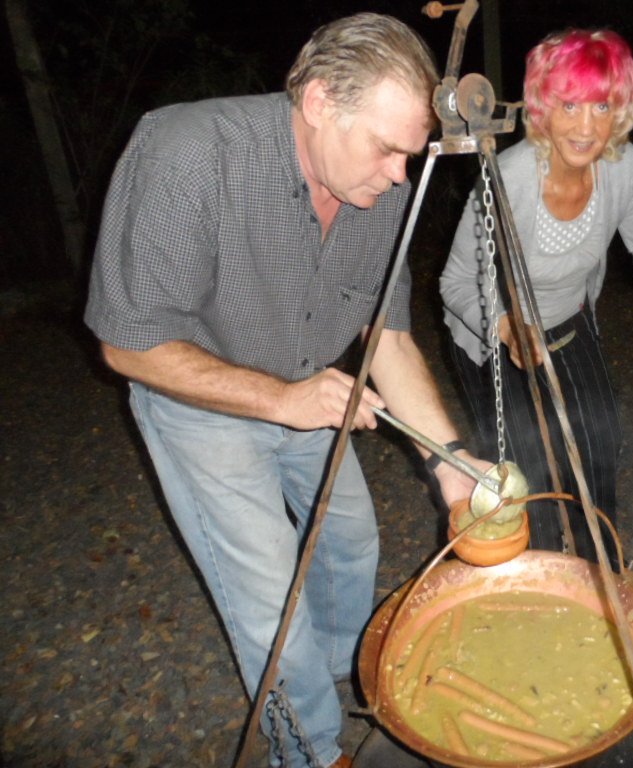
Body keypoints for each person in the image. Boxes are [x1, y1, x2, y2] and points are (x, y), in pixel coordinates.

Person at [84, 14, 487, 768]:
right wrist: (279, 401)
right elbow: (125, 341)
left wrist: (451, 464)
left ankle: (333, 680)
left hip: (310, 387)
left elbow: (388, 335)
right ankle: (307, 750)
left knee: (349, 548)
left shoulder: (380, 184)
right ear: (319, 103)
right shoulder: (188, 155)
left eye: (411, 152)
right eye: (388, 148)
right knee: (273, 606)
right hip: (198, 402)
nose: (400, 175)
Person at [439, 28, 633, 563]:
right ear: (544, 105)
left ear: (621, 110)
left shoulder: (623, 167)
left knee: (599, 441)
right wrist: (504, 326)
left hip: (568, 321)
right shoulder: (509, 177)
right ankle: (544, 573)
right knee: (529, 472)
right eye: (569, 105)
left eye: (601, 106)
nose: (586, 126)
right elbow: (455, 282)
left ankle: (600, 566)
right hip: (495, 333)